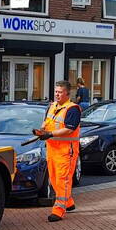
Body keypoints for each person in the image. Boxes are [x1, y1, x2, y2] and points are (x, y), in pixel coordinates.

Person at [34, 81, 81, 222]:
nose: (57, 94)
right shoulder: (52, 106)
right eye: (56, 91)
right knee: (54, 179)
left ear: (67, 93)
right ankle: (69, 202)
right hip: (52, 149)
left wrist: (50, 134)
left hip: (66, 151)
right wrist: (42, 130)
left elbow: (69, 129)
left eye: (60, 92)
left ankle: (59, 210)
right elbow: (46, 121)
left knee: (62, 180)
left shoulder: (73, 109)